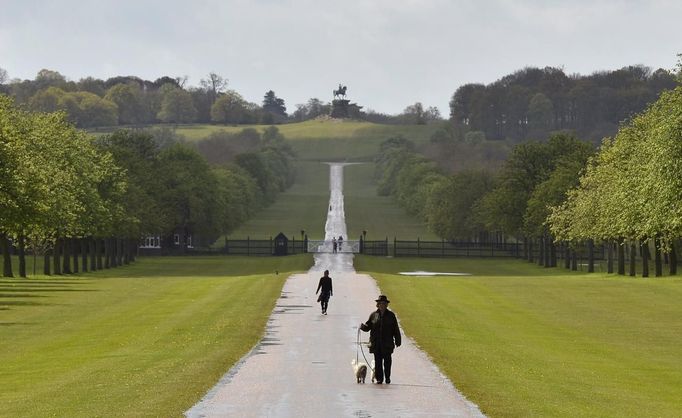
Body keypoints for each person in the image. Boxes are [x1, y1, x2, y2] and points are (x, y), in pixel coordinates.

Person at [360, 295, 401, 384]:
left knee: (387, 362)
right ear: (378, 304)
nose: (382, 305)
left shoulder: (391, 315)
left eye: (384, 303)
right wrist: (363, 327)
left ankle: (387, 377)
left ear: (386, 305)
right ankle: (379, 378)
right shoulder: (373, 315)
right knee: (378, 362)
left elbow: (395, 329)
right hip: (376, 344)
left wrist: (398, 340)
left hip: (387, 344)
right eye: (380, 303)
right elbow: (368, 327)